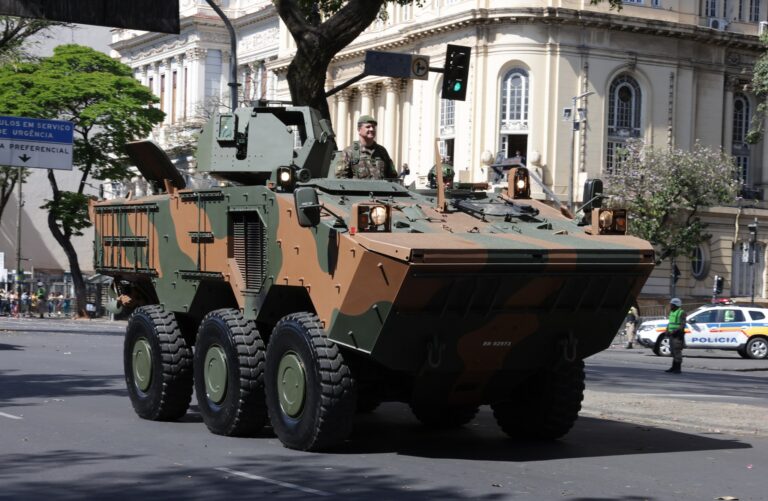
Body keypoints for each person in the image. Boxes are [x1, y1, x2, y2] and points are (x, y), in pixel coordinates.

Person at [335, 115, 397, 180]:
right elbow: (341, 178)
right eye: (368, 127)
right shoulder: (349, 152)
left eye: (373, 127)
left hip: (380, 189)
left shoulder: (382, 151)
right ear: (359, 130)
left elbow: (393, 177)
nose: (372, 129)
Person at [665, 297, 686, 374]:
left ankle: (678, 368)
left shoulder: (681, 312)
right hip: (672, 335)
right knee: (673, 351)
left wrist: (674, 331)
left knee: (677, 351)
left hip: (677, 336)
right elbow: (670, 323)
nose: (670, 305)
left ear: (676, 305)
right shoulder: (672, 312)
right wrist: (667, 330)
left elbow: (682, 325)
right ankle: (673, 367)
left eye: (672, 304)